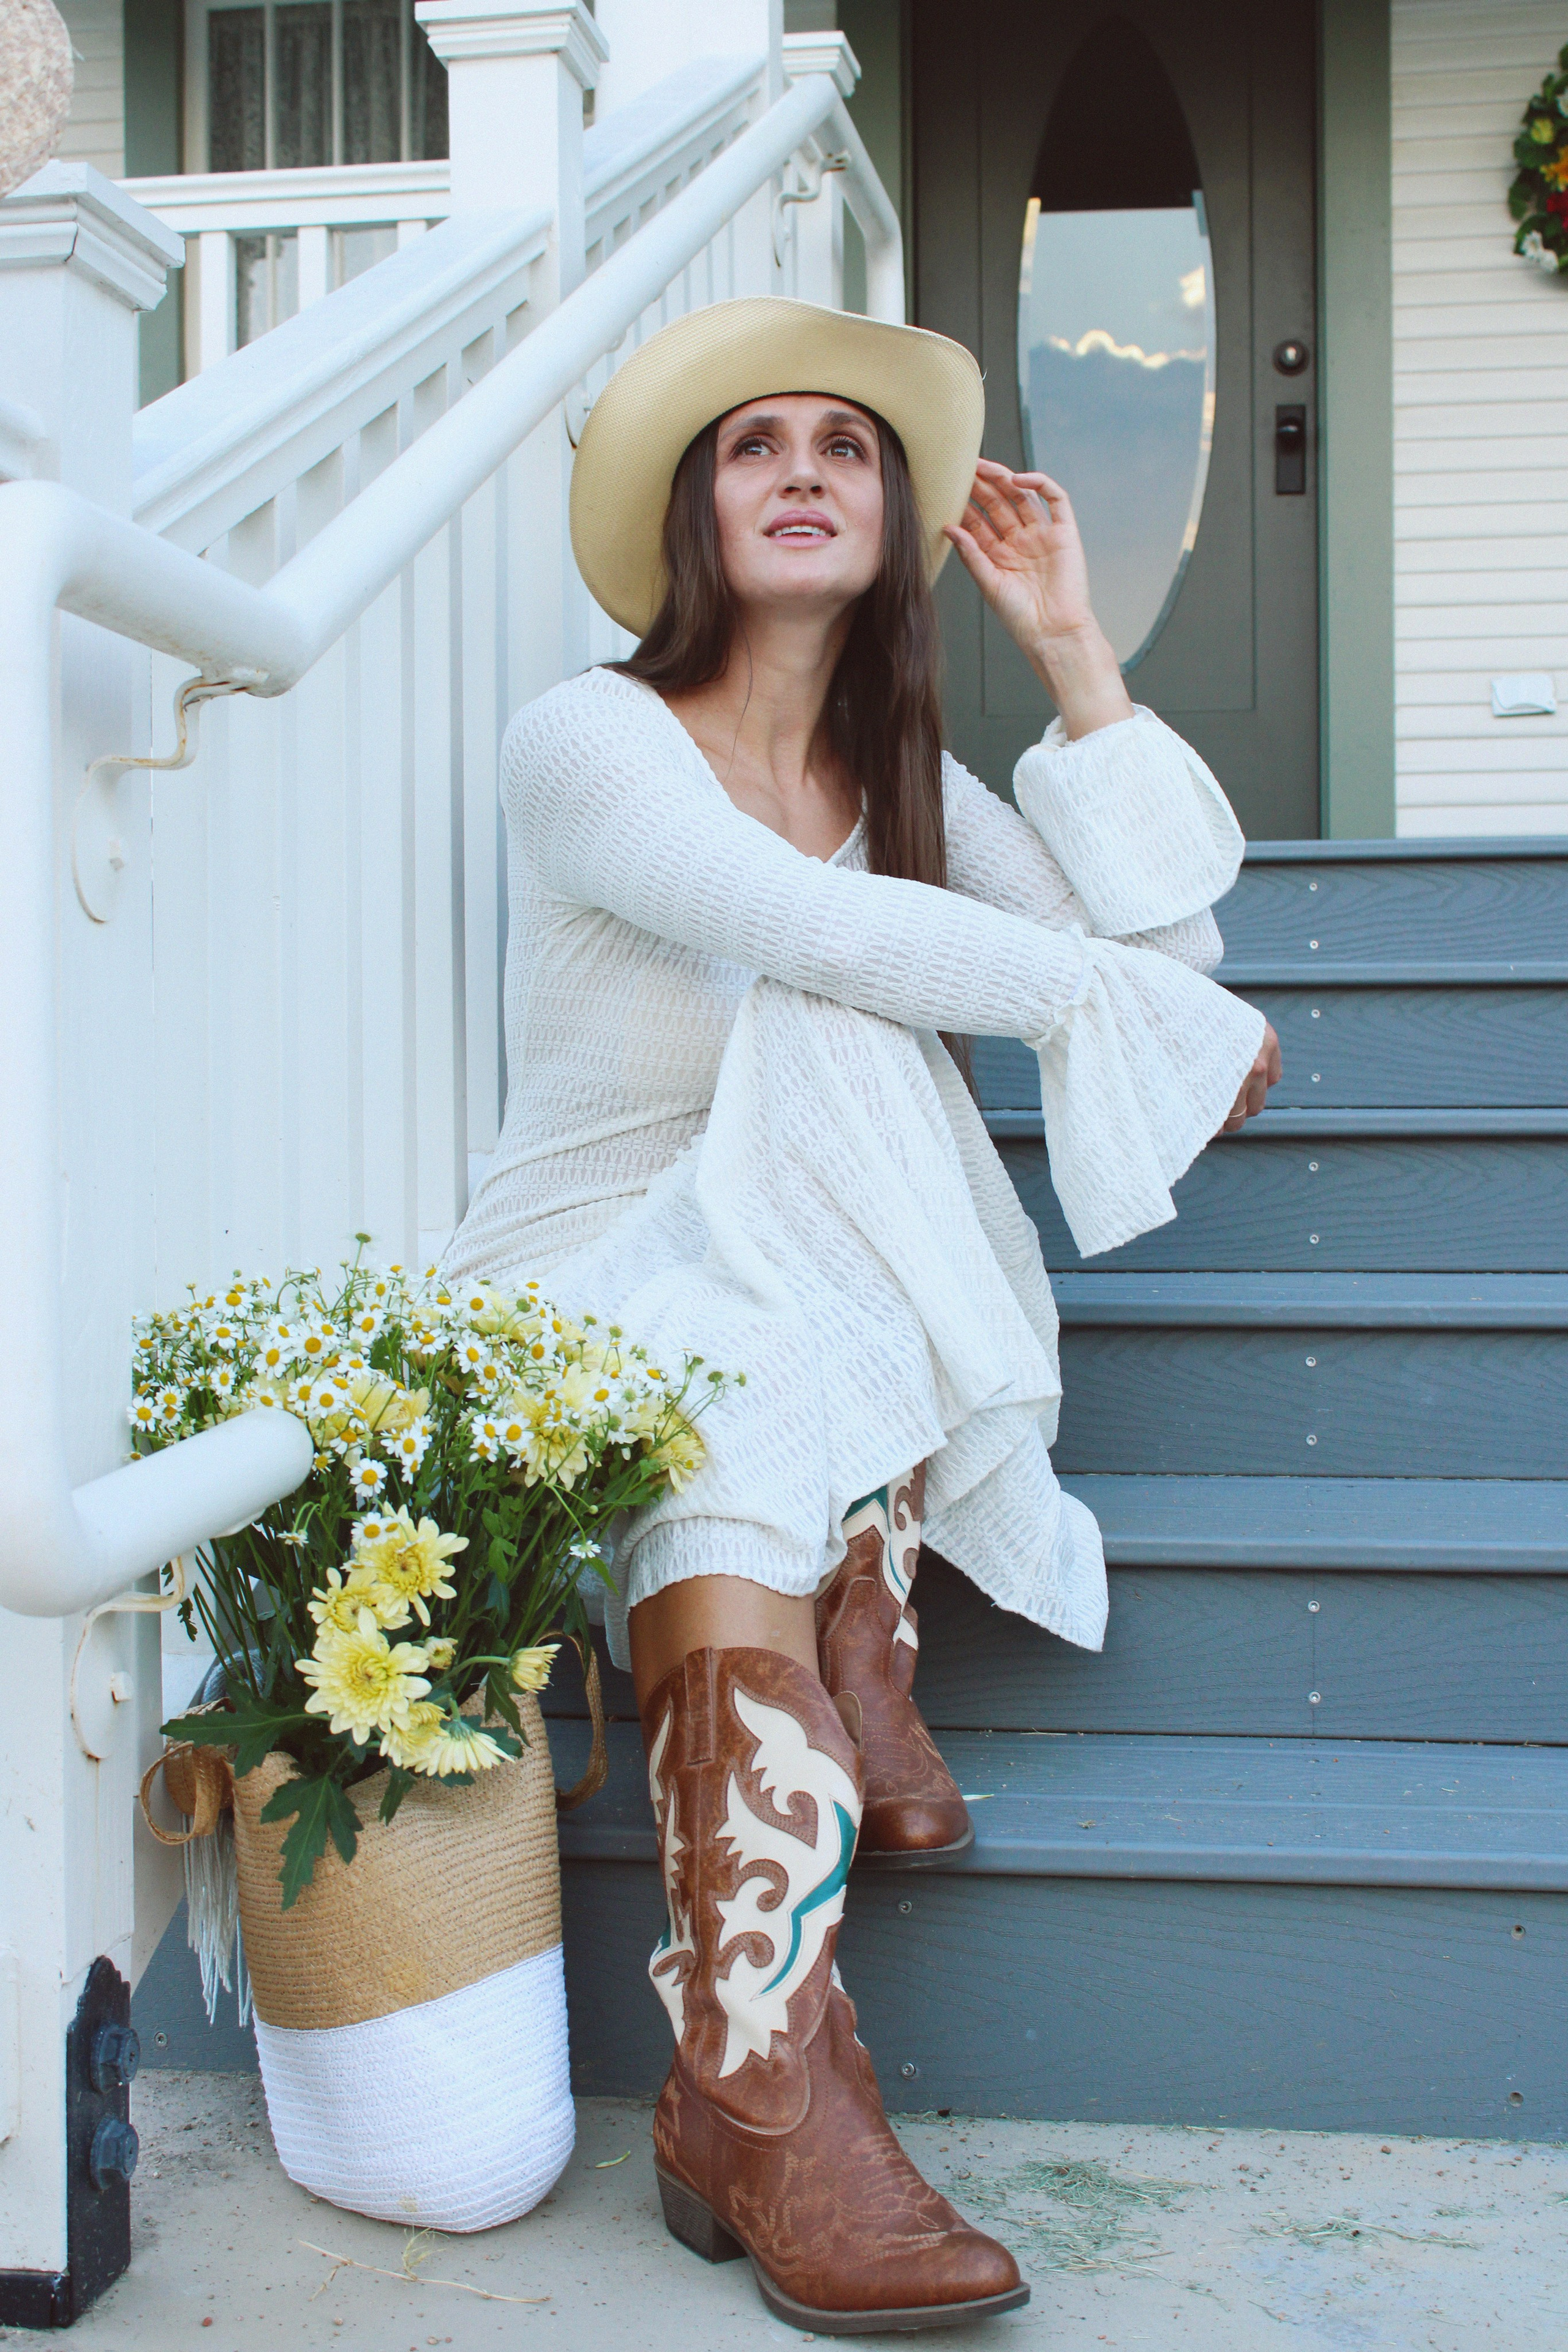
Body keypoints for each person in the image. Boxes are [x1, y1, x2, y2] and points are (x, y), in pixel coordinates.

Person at [447, 297, 1280, 2334]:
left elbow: (1163, 952)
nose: (806, 469)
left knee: (821, 1146)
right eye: (755, 446)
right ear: (689, 513)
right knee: (840, 988)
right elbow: (838, 931)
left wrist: (1074, 650)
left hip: (761, 1332)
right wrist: (1126, 1009)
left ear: (894, 515)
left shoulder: (899, 771)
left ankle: (748, 2090)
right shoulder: (587, 741)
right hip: (588, 1279)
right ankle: (850, 1643)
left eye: (845, 445)